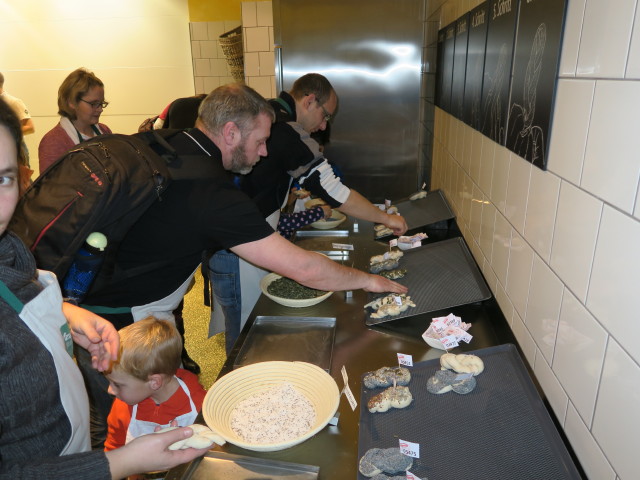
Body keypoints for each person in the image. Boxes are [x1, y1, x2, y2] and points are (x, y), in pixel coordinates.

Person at [49, 83, 406, 449]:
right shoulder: (210, 192)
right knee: (123, 427)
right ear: (231, 131)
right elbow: (305, 269)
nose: (265, 152)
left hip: (82, 300)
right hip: (122, 324)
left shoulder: (169, 142)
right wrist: (368, 281)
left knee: (101, 413)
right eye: (261, 141)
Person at [0, 97, 210, 480]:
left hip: (75, 456)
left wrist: (61, 312)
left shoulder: (10, 255)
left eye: (3, 178)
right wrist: (119, 463)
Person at [209, 73, 409, 352]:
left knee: (249, 329)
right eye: (325, 115)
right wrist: (387, 219)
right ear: (310, 100)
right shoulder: (286, 130)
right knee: (246, 336)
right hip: (239, 248)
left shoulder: (270, 114)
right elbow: (335, 192)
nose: (323, 125)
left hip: (239, 241)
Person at [104, 317, 206, 452]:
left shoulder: (200, 403)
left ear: (154, 382)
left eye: (118, 385)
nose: (110, 390)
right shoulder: (121, 408)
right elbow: (114, 449)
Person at [38, 67, 112, 172]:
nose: (100, 109)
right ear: (71, 102)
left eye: (101, 103)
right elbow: (50, 187)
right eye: (93, 104)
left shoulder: (105, 131)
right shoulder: (53, 142)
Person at [0, 71, 35, 190]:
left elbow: (30, 127)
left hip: (17, 149)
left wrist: (7, 132)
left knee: (22, 181)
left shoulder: (13, 102)